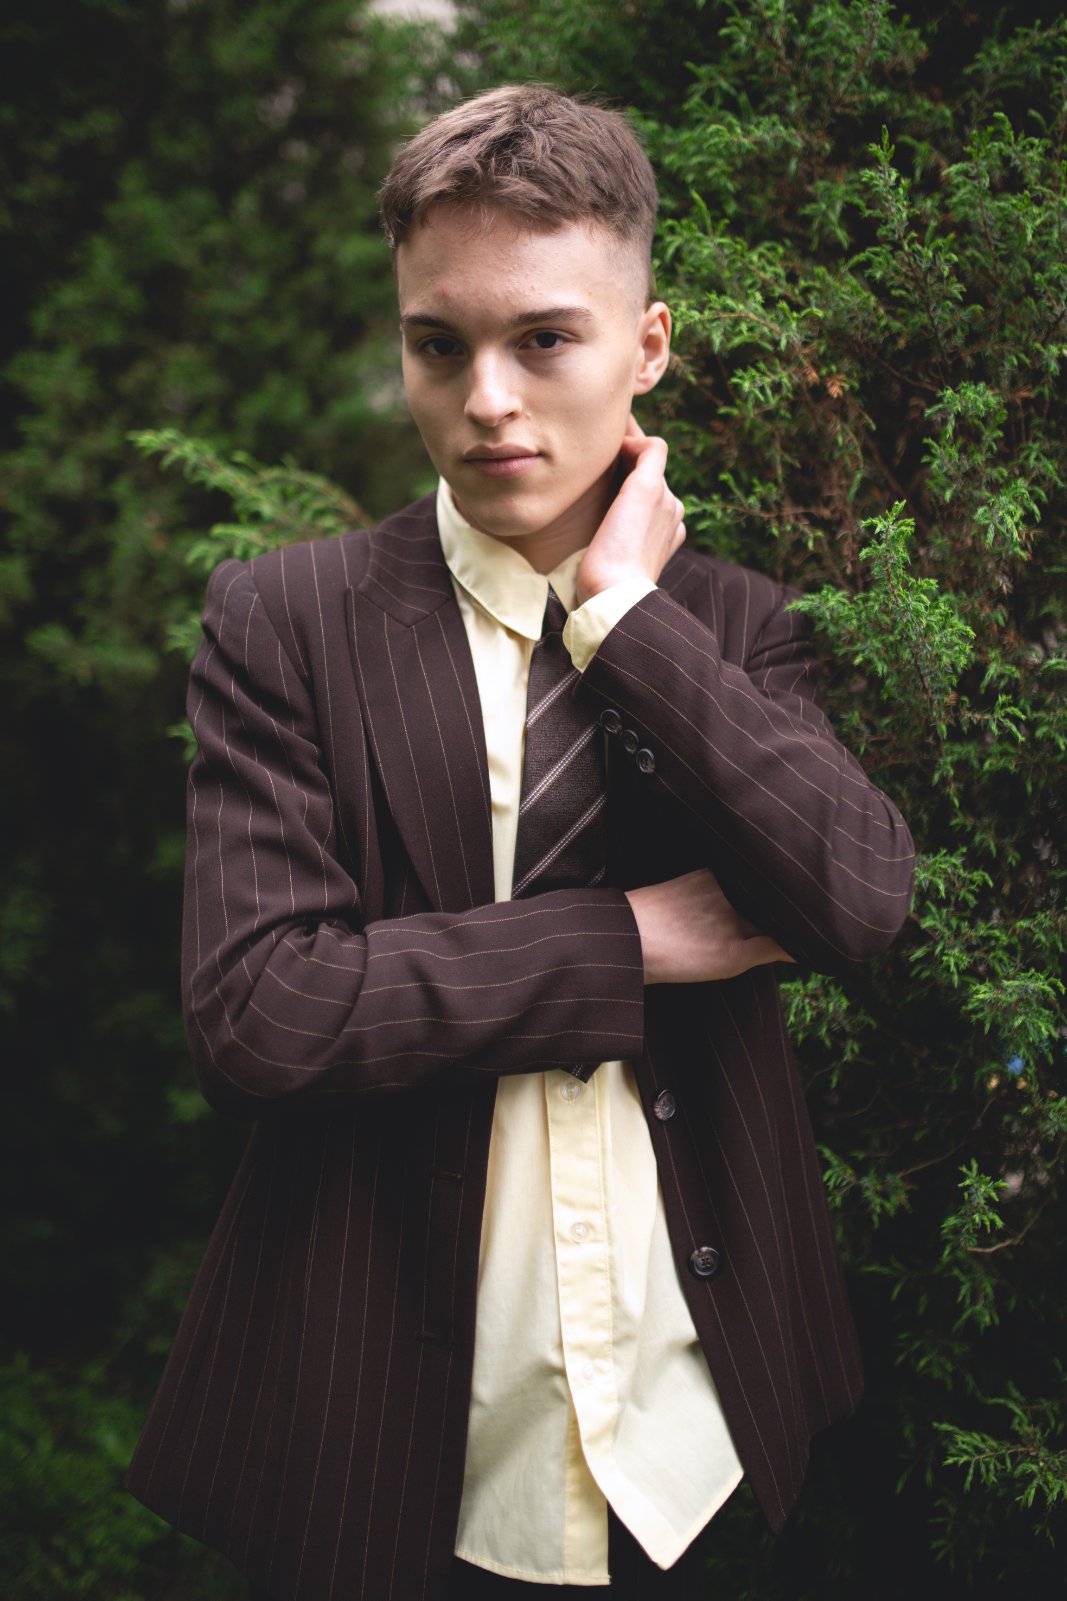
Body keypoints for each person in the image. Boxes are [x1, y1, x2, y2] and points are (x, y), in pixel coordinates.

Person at [125, 86, 915, 1601]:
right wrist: (629, 941)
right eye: (440, 346)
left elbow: (863, 897)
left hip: (703, 1423)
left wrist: (624, 622)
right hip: (401, 1429)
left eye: (544, 339)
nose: (487, 397)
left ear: (648, 346)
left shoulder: (738, 625)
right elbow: (260, 1012)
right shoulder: (288, 623)